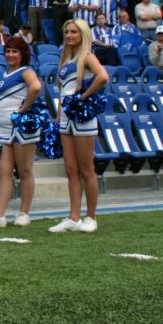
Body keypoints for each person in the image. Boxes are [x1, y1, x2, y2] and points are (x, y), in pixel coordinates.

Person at [0, 37, 42, 228]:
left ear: (22, 54)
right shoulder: (2, 75)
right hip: (4, 130)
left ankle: (24, 213)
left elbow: (36, 87)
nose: (10, 55)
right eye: (8, 51)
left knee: (25, 171)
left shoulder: (26, 71)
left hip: (21, 128)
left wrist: (23, 108)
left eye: (15, 51)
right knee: (4, 172)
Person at [51, 19, 109, 234]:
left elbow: (103, 76)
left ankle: (91, 217)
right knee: (71, 169)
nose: (69, 35)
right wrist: (59, 116)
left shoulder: (87, 56)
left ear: (83, 34)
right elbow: (62, 91)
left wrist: (83, 97)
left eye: (74, 31)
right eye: (67, 31)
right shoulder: (66, 59)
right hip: (66, 116)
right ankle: (73, 217)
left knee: (87, 169)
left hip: (82, 116)